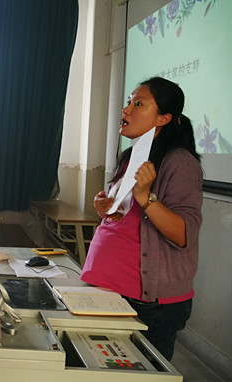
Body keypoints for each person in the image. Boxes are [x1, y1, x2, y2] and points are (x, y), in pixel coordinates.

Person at [80, 77, 203, 361]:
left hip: (147, 303)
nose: (126, 110)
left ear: (163, 118)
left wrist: (146, 197)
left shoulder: (180, 163)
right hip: (108, 288)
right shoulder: (133, 156)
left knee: (142, 379)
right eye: (128, 102)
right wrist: (106, 209)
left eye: (138, 104)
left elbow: (184, 234)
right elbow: (127, 218)